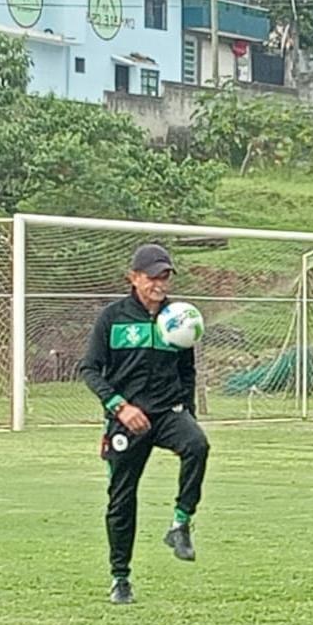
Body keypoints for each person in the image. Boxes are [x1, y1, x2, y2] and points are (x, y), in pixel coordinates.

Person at [79, 244, 209, 605]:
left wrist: (189, 414)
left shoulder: (179, 317)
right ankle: (120, 578)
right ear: (133, 278)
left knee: (197, 445)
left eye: (165, 276)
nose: (160, 283)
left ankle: (180, 524)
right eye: (153, 276)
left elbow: (187, 372)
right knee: (122, 500)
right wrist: (119, 407)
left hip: (167, 412)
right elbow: (89, 369)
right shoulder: (112, 317)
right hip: (126, 420)